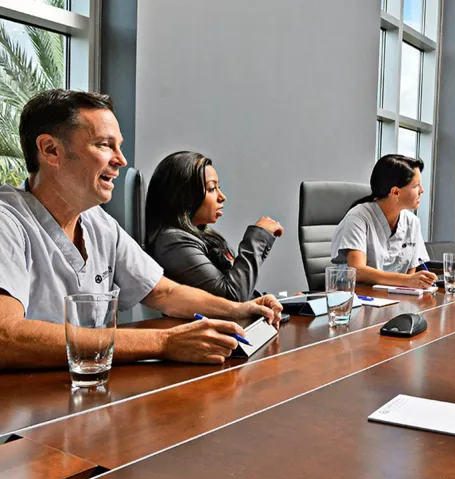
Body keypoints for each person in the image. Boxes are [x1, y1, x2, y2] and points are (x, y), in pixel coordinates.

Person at [0, 89, 283, 370]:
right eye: (104, 145)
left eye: (119, 146)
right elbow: (5, 336)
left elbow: (164, 293)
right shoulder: (7, 221)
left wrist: (238, 309)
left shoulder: (99, 223)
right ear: (51, 150)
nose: (121, 160)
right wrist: (163, 342)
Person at [145, 151, 283, 302]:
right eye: (211, 189)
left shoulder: (200, 236)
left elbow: (240, 290)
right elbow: (232, 298)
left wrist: (281, 302)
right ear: (184, 196)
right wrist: (258, 238)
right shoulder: (173, 242)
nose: (222, 196)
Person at [330, 154, 436, 288]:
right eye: (416, 186)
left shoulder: (412, 222)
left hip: (395, 300)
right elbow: (357, 271)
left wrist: (415, 282)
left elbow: (411, 276)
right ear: (395, 192)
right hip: (357, 299)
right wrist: (407, 280)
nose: (422, 190)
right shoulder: (358, 218)